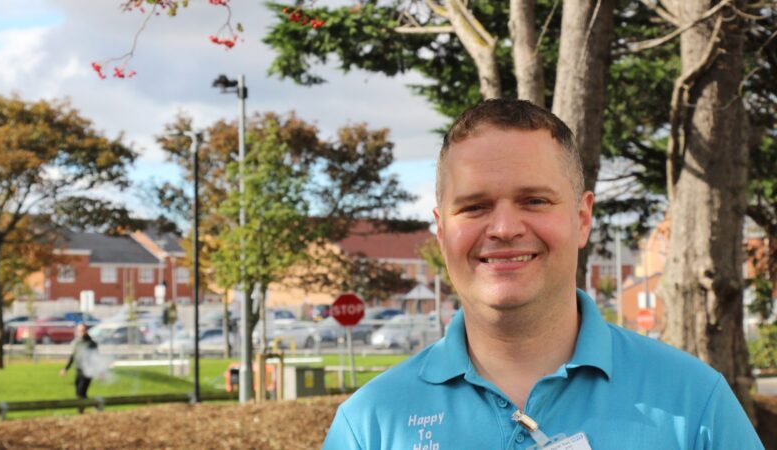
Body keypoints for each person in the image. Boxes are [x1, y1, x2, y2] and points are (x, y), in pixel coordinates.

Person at [322, 99, 764, 449]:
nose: (504, 228)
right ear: (441, 230)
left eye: (534, 200)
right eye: (474, 206)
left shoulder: (695, 403)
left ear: (583, 219)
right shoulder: (369, 427)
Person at [60, 323, 98, 413]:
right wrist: (66, 368)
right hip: (78, 371)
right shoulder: (77, 342)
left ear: (86, 331)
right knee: (79, 393)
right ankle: (93, 405)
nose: (81, 332)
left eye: (82, 330)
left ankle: (81, 410)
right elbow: (73, 356)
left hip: (87, 371)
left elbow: (96, 358)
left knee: (81, 392)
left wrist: (99, 371)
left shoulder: (91, 343)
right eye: (79, 330)